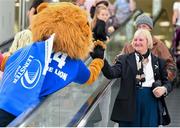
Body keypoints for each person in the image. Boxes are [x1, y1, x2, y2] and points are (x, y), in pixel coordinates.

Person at [91, 29, 172, 127]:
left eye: (141, 40)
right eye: (135, 40)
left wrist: (164, 89)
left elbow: (167, 83)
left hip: (151, 103)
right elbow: (111, 73)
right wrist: (101, 59)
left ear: (148, 42)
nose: (137, 42)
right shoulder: (124, 59)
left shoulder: (159, 62)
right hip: (129, 103)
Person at [116, 14, 176, 82]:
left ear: (150, 28)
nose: (141, 29)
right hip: (132, 86)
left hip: (153, 86)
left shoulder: (159, 45)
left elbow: (170, 66)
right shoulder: (129, 45)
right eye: (139, 27)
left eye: (144, 26)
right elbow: (119, 63)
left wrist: (162, 81)